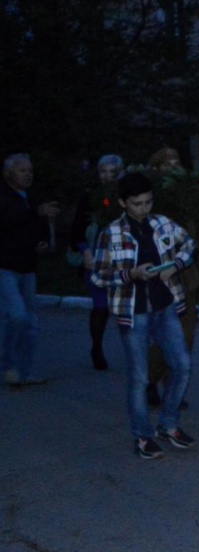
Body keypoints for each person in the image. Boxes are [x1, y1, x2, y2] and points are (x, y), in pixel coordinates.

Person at [91, 172, 197, 459]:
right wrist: (130, 274)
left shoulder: (162, 223)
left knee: (182, 365)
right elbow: (99, 276)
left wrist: (175, 265)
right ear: (123, 203)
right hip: (133, 312)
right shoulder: (111, 233)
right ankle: (142, 436)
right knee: (139, 377)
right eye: (137, 203)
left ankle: (169, 424)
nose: (144, 208)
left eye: (148, 202)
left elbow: (189, 245)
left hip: (164, 307)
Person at [145, 146, 199, 409]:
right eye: (166, 163)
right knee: (166, 336)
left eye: (176, 162)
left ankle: (172, 386)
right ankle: (150, 380)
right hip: (161, 277)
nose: (173, 167)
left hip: (188, 276)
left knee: (185, 338)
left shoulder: (188, 202)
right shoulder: (152, 205)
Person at [1, 154, 59, 387]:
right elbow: (7, 220)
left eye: (30, 171)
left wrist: (42, 241)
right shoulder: (5, 196)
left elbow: (37, 226)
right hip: (5, 266)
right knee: (16, 315)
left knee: (31, 322)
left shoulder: (31, 198)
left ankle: (25, 371)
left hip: (28, 267)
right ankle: (9, 365)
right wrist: (36, 212)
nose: (28, 175)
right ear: (9, 174)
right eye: (23, 171)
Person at [68, 153, 123, 370]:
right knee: (101, 306)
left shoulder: (125, 197)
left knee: (125, 306)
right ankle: (97, 347)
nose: (107, 176)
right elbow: (76, 232)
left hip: (121, 259)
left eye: (112, 172)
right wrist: (86, 253)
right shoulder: (90, 197)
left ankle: (135, 350)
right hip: (95, 259)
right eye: (103, 171)